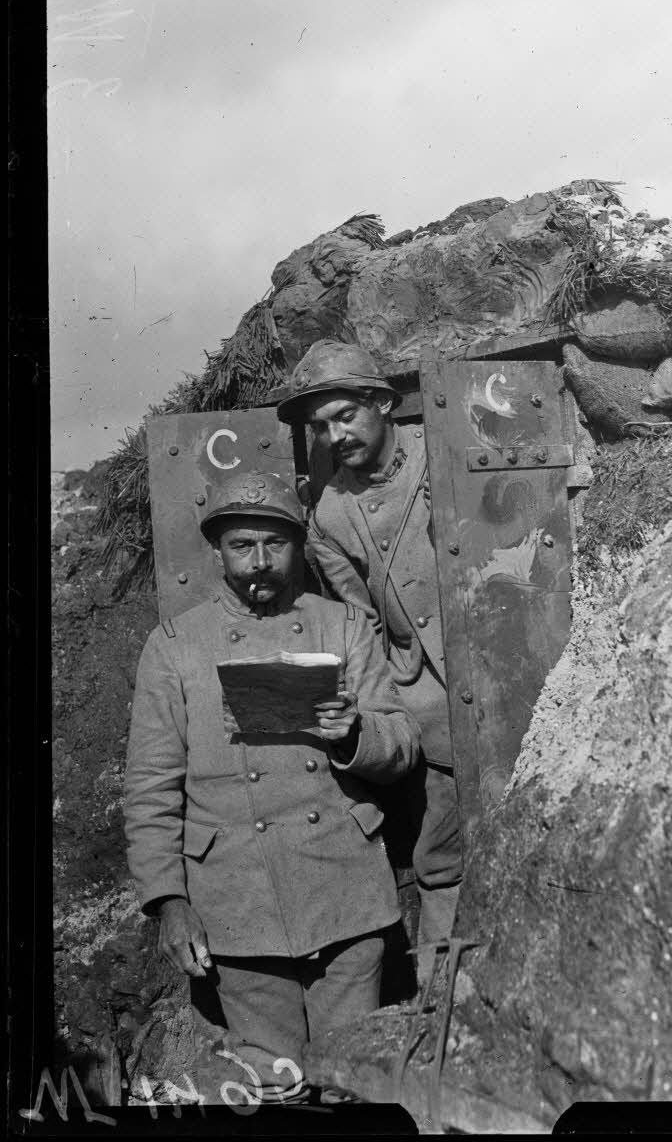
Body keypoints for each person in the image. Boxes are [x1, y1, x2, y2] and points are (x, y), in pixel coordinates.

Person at [123, 470, 420, 1101]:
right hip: (237, 901)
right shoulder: (175, 647)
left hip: (343, 890)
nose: (260, 563)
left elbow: (403, 746)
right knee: (271, 1087)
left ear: (297, 546)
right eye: (241, 546)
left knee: (356, 1085)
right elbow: (151, 789)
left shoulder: (342, 626)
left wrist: (353, 734)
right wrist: (168, 903)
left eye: (274, 544)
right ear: (218, 552)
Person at [277, 341, 462, 965]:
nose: (334, 437)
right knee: (441, 854)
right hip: (426, 700)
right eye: (320, 427)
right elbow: (362, 622)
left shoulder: (444, 449)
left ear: (384, 404)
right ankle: (445, 995)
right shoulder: (328, 512)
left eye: (346, 417)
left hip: (496, 670)